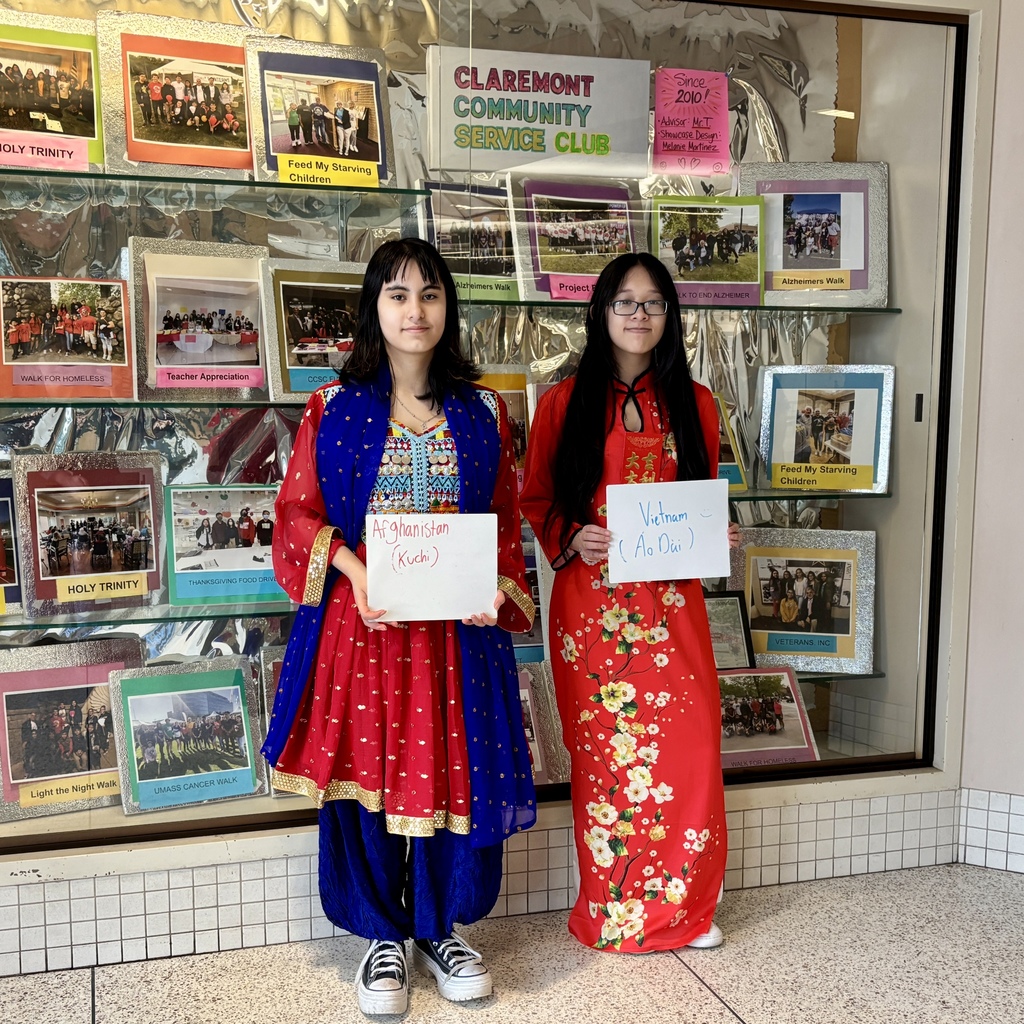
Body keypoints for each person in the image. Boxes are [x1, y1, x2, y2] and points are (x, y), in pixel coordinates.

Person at [264, 237, 536, 1016]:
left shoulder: (484, 411)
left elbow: (505, 522)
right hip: (369, 631)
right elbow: (297, 515)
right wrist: (354, 572)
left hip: (457, 637)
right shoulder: (334, 408)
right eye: (397, 294)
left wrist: (495, 589)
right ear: (373, 308)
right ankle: (382, 938)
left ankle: (439, 928)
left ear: (448, 308)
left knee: (455, 777)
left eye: (430, 294)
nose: (414, 310)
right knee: (371, 781)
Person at [520, 251, 740, 953]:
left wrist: (719, 531)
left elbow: (700, 497)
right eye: (624, 302)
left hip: (674, 607)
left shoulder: (698, 402)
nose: (638, 315)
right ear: (601, 313)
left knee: (693, 749)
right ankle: (616, 910)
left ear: (670, 316)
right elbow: (535, 500)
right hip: (594, 612)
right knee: (611, 759)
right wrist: (570, 535)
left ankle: (686, 910)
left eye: (652, 303)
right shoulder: (562, 402)